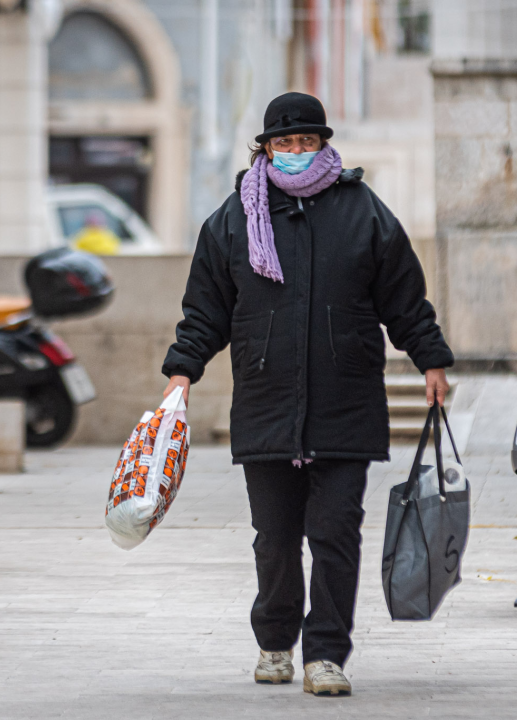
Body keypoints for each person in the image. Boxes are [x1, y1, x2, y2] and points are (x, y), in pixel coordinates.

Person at [161, 92, 453, 697]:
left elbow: (404, 297)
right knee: (274, 537)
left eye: (306, 142)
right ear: (264, 149)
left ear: (323, 144)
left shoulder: (362, 210)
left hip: (345, 402)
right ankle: (274, 643)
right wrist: (182, 371)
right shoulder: (233, 220)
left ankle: (325, 654)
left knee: (336, 534)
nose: (295, 153)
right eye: (284, 144)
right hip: (267, 402)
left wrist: (431, 360)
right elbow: (206, 310)